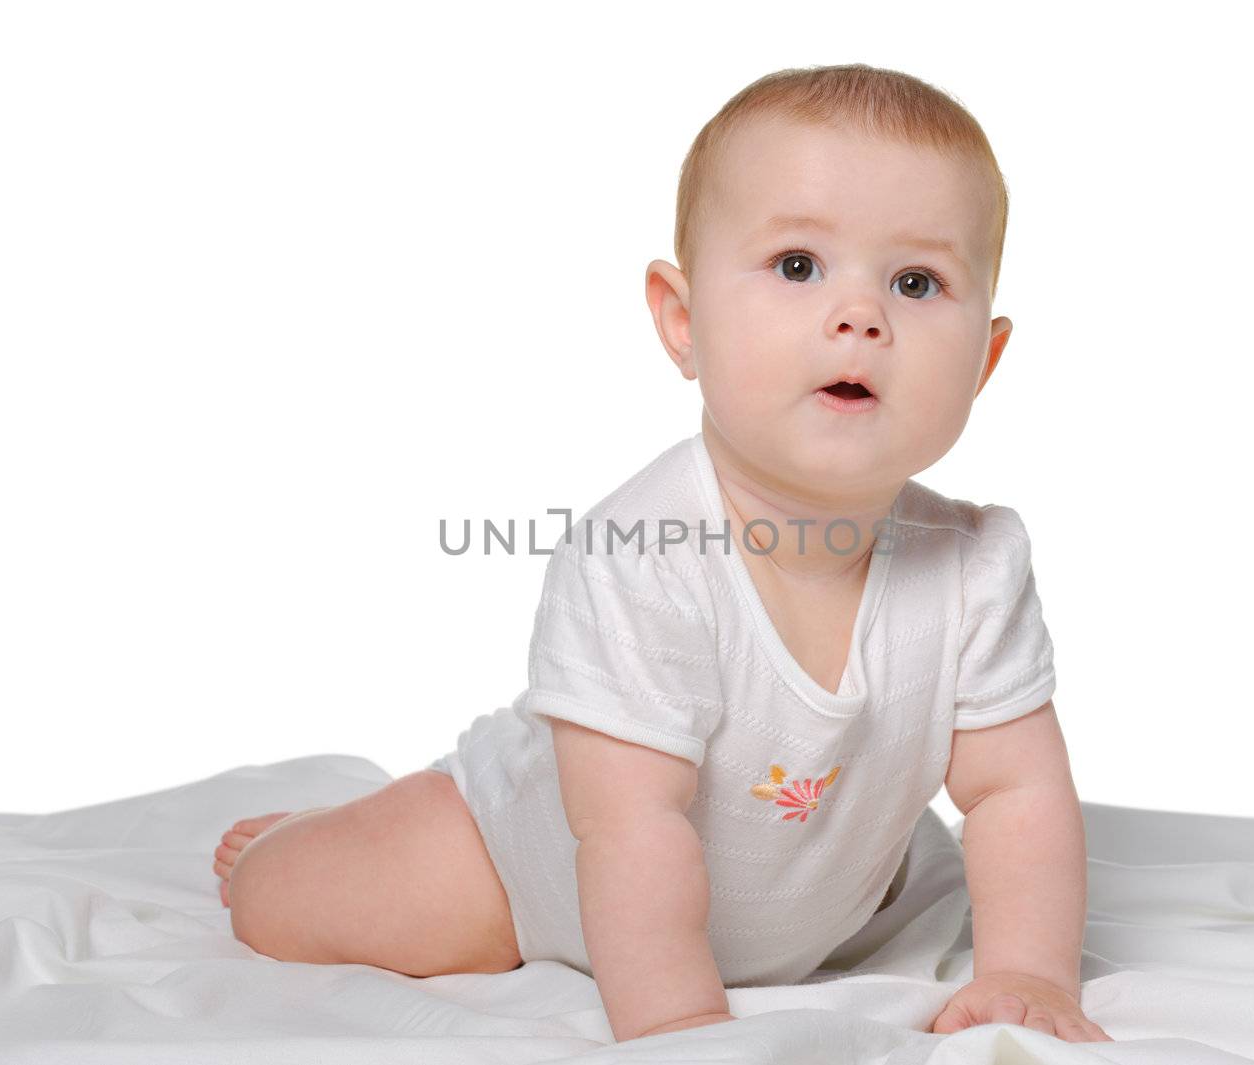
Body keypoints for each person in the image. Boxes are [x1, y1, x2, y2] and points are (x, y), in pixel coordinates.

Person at [212, 62, 1111, 1046]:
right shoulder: (641, 557)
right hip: (532, 864)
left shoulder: (975, 564)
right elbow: (629, 828)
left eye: (915, 281)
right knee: (289, 907)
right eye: (799, 265)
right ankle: (313, 839)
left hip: (801, 886)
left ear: (982, 360)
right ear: (683, 323)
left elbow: (1013, 791)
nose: (860, 317)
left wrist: (1027, 973)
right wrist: (681, 1026)